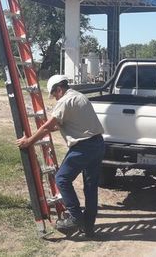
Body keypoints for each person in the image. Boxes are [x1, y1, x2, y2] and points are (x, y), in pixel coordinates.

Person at [16, 74, 105, 237]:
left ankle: (76, 218)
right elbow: (68, 123)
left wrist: (28, 141)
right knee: (91, 187)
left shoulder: (64, 101)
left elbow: (47, 127)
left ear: (59, 89)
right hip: (98, 144)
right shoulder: (79, 96)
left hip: (84, 146)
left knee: (62, 179)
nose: (55, 97)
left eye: (55, 93)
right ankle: (88, 227)